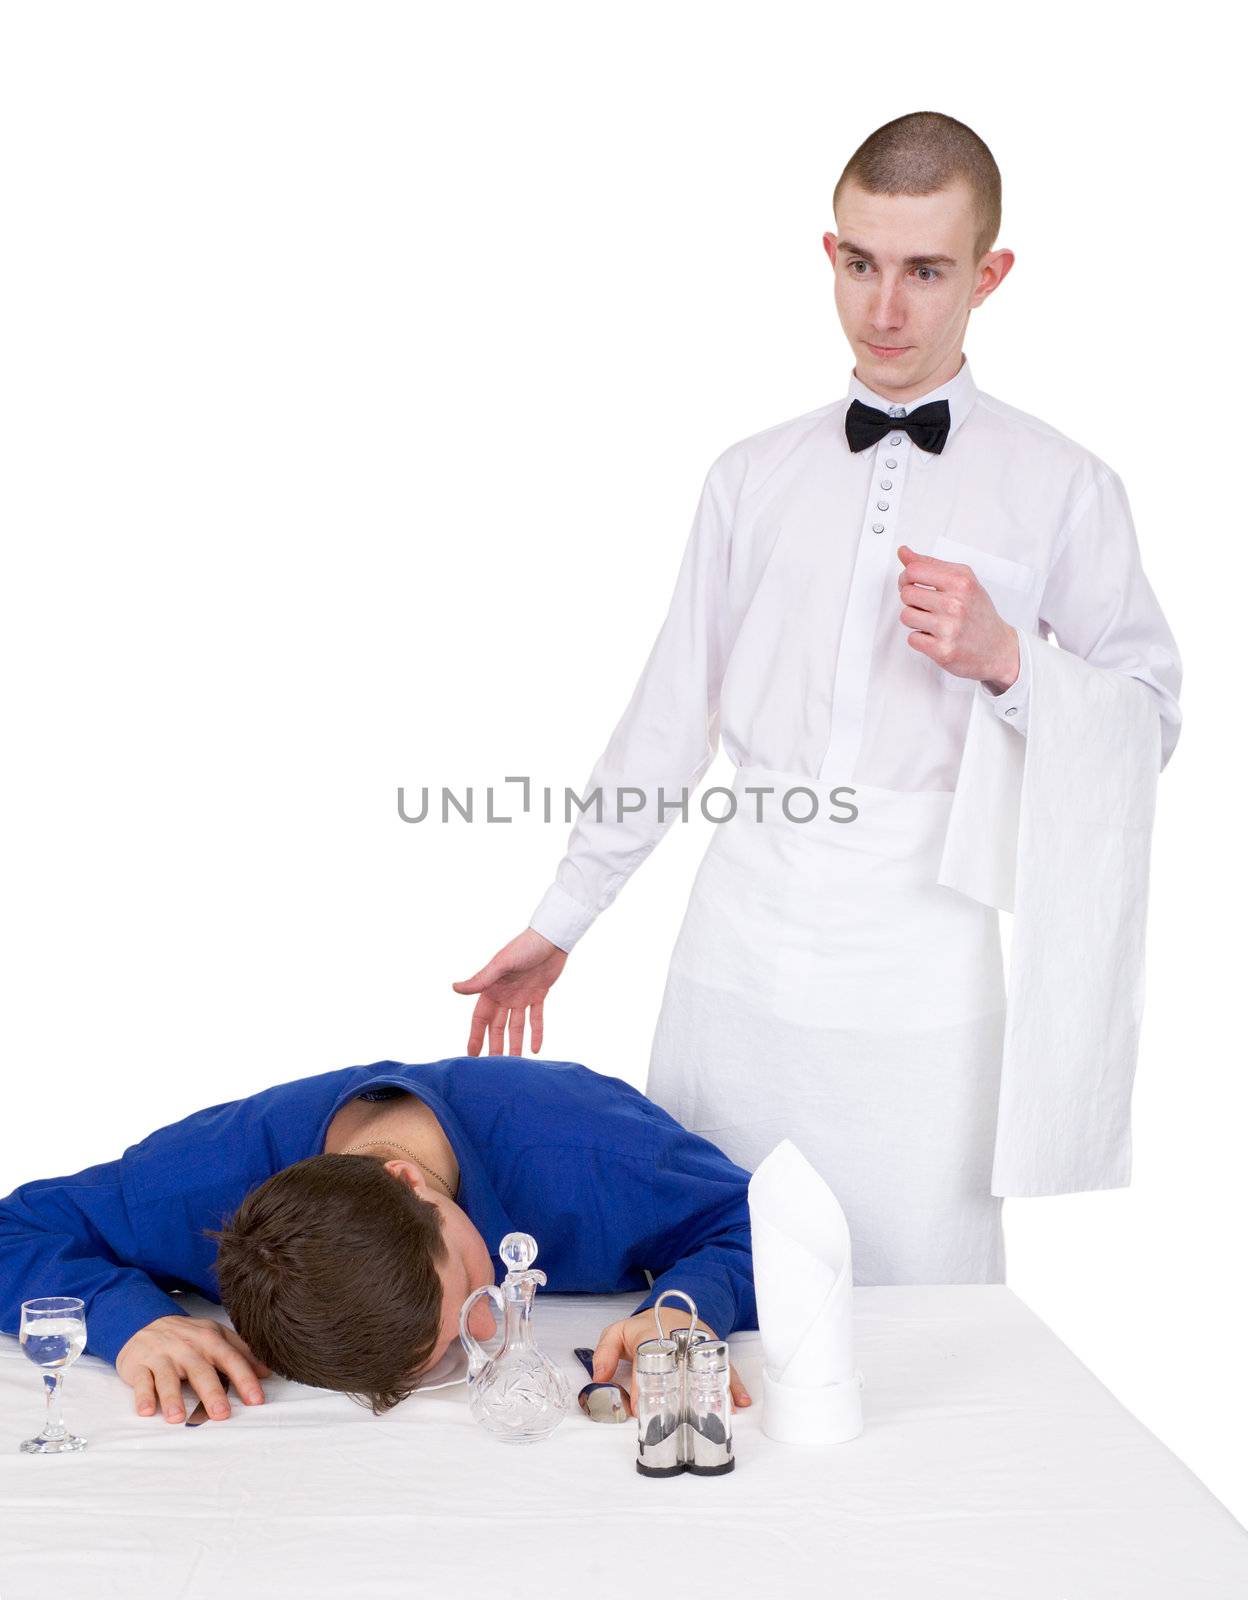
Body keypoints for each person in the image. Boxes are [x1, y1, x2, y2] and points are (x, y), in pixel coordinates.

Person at [452, 110, 1182, 1285]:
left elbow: (1148, 717)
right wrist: (563, 917)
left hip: (923, 968)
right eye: (860, 264)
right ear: (829, 254)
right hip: (734, 957)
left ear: (988, 277)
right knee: (699, 1273)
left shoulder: (1066, 488)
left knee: (913, 1306)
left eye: (926, 272)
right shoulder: (750, 475)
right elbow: (666, 710)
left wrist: (1010, 661)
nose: (884, 309)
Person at [0, 1055, 756, 1422]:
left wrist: (686, 1306)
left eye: (466, 1281)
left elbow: (757, 1222)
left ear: (406, 1181)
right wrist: (128, 1322)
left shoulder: (596, 1155)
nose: (490, 1330)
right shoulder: (189, 1185)